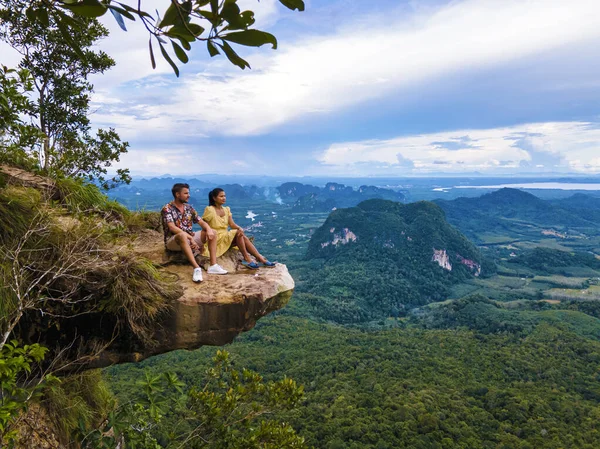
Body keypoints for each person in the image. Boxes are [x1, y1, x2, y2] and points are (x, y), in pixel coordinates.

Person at [161, 183, 228, 282]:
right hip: (174, 241)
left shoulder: (189, 208)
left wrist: (208, 230)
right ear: (177, 194)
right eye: (186, 193)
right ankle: (196, 268)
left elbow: (201, 221)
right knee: (182, 235)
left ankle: (213, 265)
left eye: (188, 193)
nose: (189, 195)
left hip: (189, 237)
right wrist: (190, 238)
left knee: (213, 232)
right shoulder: (167, 209)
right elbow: (172, 227)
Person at [203, 188, 276, 269]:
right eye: (221, 196)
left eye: (224, 196)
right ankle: (250, 258)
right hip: (216, 238)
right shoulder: (209, 210)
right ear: (214, 198)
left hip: (225, 237)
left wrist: (239, 227)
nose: (224, 198)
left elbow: (231, 224)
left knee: (241, 234)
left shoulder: (226, 209)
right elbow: (204, 225)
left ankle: (258, 258)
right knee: (239, 234)